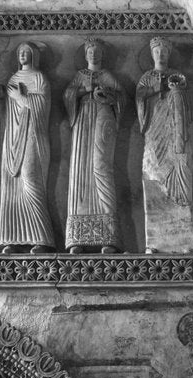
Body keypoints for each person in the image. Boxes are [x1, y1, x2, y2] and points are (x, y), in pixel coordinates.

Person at [136, 37, 193, 253]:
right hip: (154, 133)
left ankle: (185, 242)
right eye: (157, 51)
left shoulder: (177, 77)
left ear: (169, 54)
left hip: (175, 133)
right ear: (152, 54)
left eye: (164, 51)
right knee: (153, 173)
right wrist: (153, 88)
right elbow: (140, 101)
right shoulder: (146, 78)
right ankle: (155, 243)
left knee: (181, 169)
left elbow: (188, 110)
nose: (160, 55)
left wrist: (177, 91)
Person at [64, 38, 125, 254]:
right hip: (82, 124)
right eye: (90, 51)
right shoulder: (79, 76)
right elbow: (68, 95)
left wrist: (107, 96)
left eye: (97, 51)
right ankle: (77, 239)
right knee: (80, 171)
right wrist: (82, 91)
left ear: (102, 54)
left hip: (102, 118)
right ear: (85, 55)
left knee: (101, 167)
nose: (93, 55)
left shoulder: (108, 76)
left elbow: (121, 98)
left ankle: (108, 237)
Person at [0, 42, 55, 254]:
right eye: (20, 52)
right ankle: (11, 239)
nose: (22, 55)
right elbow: (10, 110)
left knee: (31, 180)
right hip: (13, 137)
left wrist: (20, 98)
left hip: (33, 134)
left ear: (33, 56)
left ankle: (42, 237)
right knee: (12, 186)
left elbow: (42, 107)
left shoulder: (39, 78)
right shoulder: (13, 79)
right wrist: (2, 95)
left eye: (26, 52)